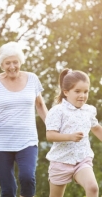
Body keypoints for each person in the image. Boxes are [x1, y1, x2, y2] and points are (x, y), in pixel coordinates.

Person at [0, 41, 48, 197]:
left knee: (27, 178)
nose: (12, 66)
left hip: (27, 141)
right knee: (8, 189)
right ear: (2, 64)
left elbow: (40, 106)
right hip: (0, 143)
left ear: (20, 62)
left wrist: (52, 127)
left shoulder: (32, 79)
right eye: (8, 63)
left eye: (15, 62)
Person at [45, 68, 102, 197]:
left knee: (93, 188)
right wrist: (70, 137)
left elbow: (96, 128)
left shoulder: (89, 110)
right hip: (60, 161)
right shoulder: (57, 111)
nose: (82, 95)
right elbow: (50, 135)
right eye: (77, 91)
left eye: (85, 91)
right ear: (66, 92)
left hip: (82, 159)